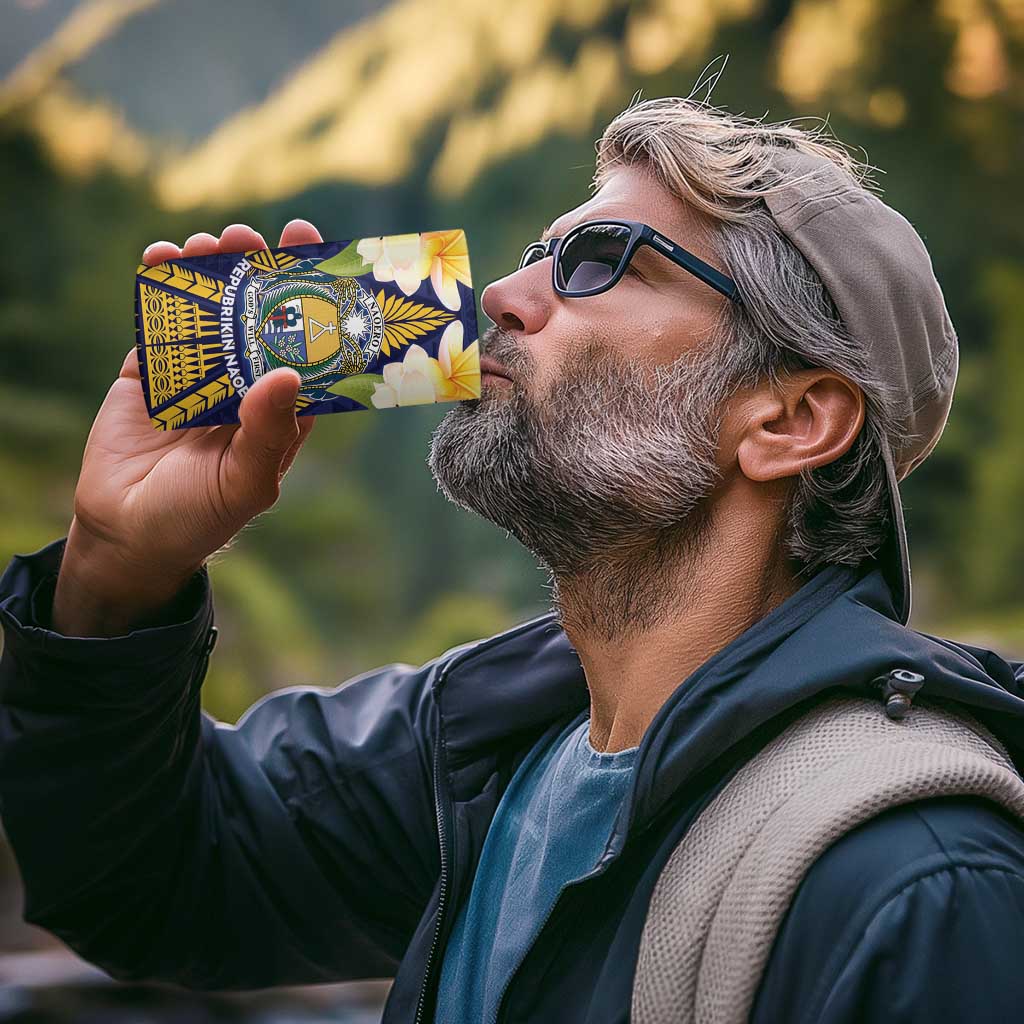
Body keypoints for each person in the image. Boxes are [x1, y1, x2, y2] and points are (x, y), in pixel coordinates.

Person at [2, 96, 1024, 1024]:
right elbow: (148, 879)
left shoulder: (918, 883)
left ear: (791, 419)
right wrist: (116, 569)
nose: (500, 292)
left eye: (599, 261)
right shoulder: (479, 749)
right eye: (540, 252)